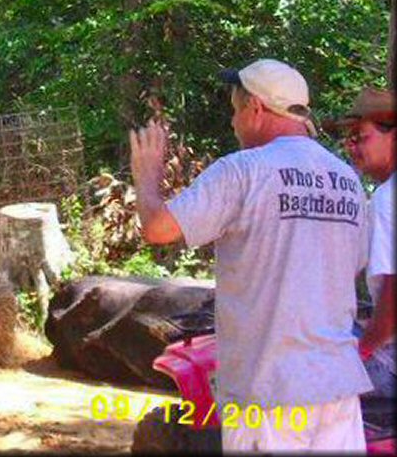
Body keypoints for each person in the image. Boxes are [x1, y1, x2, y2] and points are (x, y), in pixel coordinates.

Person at [129, 58, 371, 452]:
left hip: (270, 390)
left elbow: (158, 227)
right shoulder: (346, 181)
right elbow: (355, 262)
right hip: (338, 389)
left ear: (255, 108)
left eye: (235, 111)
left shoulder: (243, 171)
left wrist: (147, 176)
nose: (233, 123)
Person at [324, 87, 395, 400]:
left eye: (360, 136)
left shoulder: (386, 198)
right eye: (348, 138)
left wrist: (362, 351)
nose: (350, 146)